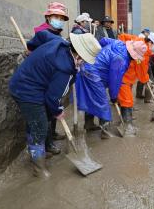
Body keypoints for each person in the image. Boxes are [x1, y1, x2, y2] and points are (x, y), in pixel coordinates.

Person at [9, 33, 100, 178]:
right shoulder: (65, 69)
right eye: (84, 61)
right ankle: (39, 169)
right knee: (39, 126)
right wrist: (58, 111)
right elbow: (53, 98)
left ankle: (44, 148)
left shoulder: (59, 42)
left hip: (32, 81)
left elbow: (41, 36)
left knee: (41, 118)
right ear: (79, 56)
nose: (84, 64)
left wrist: (31, 48)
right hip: (26, 90)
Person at [27, 2, 70, 153]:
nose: (59, 20)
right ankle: (48, 143)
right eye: (56, 16)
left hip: (52, 78)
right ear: (48, 17)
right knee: (45, 112)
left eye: (61, 18)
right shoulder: (43, 33)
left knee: (52, 110)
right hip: (42, 80)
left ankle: (51, 135)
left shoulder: (56, 33)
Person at [76, 38, 130, 139]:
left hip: (87, 66)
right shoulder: (121, 59)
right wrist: (114, 97)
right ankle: (106, 132)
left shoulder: (118, 43)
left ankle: (89, 124)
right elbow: (114, 81)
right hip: (93, 74)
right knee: (103, 103)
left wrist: (100, 53)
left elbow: (103, 40)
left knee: (90, 98)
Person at [117, 34, 151, 136]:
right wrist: (145, 79)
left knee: (126, 98)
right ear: (150, 42)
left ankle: (127, 119)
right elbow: (142, 72)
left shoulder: (137, 41)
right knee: (127, 99)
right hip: (122, 77)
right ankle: (127, 124)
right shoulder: (142, 53)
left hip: (125, 76)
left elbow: (122, 35)